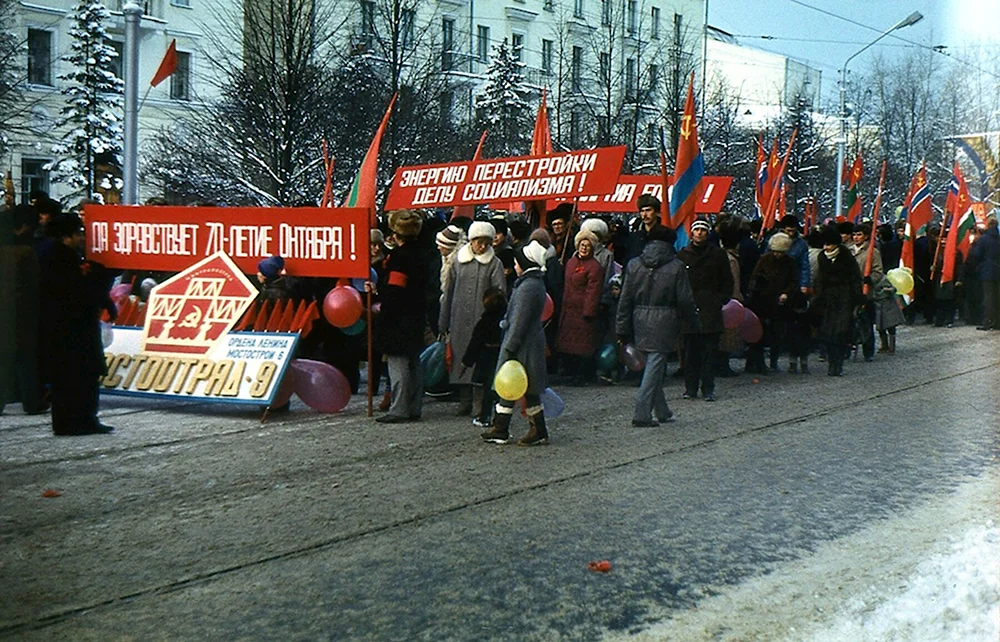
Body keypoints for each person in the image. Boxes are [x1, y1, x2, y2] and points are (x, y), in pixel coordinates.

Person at [39, 214, 115, 435]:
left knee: (66, 377)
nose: (82, 238)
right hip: (73, 325)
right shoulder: (63, 258)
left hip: (59, 325)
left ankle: (69, 421)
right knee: (80, 374)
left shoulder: (51, 254)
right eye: (78, 233)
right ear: (68, 236)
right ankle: (81, 419)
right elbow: (76, 290)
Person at [616, 225, 698, 426]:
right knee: (655, 366)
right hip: (665, 319)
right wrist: (694, 322)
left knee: (652, 367)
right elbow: (685, 300)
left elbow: (625, 299)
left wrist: (621, 327)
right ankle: (642, 414)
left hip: (639, 317)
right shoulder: (676, 266)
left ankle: (662, 411)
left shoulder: (634, 264)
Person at [480, 240, 551, 446]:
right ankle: (510, 428)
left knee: (515, 384)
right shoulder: (533, 284)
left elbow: (519, 321)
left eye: (517, 262)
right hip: (528, 344)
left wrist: (510, 347)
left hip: (522, 346)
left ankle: (507, 428)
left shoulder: (528, 287)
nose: (514, 266)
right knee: (523, 387)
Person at [439, 220, 506, 416]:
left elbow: (500, 294)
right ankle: (464, 399)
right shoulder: (458, 261)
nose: (483, 246)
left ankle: (478, 402)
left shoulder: (495, 263)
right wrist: (443, 320)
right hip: (459, 318)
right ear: (472, 240)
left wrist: (495, 318)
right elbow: (448, 291)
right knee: (461, 358)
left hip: (483, 320)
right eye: (479, 242)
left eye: (486, 242)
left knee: (480, 362)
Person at [375, 210, 427, 423]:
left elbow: (396, 291)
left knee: (398, 365)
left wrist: (381, 294)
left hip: (398, 318)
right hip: (416, 314)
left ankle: (399, 408)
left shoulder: (399, 258)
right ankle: (414, 406)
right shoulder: (422, 253)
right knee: (414, 363)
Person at [677, 216, 734, 401]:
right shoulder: (683, 255)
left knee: (709, 352)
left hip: (711, 309)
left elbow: (727, 281)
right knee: (690, 353)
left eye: (703, 229)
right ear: (691, 233)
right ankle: (690, 387)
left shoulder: (718, 255)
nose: (699, 233)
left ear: (707, 233)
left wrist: (720, 300)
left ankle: (708, 387)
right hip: (690, 309)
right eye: (696, 229)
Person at [555, 229, 605, 385]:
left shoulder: (594, 266)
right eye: (582, 244)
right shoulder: (571, 262)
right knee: (568, 344)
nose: (584, 248)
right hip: (568, 310)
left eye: (587, 245)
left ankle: (584, 374)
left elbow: (593, 290)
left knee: (583, 346)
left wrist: (589, 311)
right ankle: (570, 371)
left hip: (582, 312)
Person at [813, 226, 864, 376]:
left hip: (844, 297)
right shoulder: (822, 257)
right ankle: (831, 362)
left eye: (829, 245)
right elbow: (819, 278)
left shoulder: (846, 257)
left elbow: (855, 278)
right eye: (825, 245)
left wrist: (858, 297)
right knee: (827, 332)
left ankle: (838, 363)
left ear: (835, 244)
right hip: (828, 298)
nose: (826, 248)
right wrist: (819, 296)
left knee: (840, 332)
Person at [746, 232, 798, 373]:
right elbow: (755, 277)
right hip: (763, 301)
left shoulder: (790, 262)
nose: (778, 255)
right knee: (760, 334)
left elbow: (794, 281)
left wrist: (786, 293)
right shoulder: (764, 260)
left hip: (781, 303)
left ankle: (773, 362)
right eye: (775, 252)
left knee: (778, 333)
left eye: (781, 252)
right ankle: (758, 363)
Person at [460, 287, 507, 428]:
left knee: (487, 390)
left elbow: (474, 343)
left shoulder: (484, 322)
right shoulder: (507, 319)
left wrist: (465, 363)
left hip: (486, 357)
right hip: (502, 355)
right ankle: (499, 417)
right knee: (499, 391)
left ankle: (484, 417)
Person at [849, 223, 883, 360]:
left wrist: (870, 279)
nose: (856, 237)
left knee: (866, 322)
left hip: (866, 292)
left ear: (866, 236)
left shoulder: (872, 252)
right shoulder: (848, 250)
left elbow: (878, 272)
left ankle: (868, 351)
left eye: (859, 235)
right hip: (850, 291)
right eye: (855, 234)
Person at [973, 217, 999, 330]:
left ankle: (988, 321)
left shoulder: (984, 239)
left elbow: (977, 254)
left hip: (987, 272)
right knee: (998, 297)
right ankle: (997, 322)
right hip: (999, 271)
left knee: (988, 298)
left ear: (988, 225)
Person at [625, 194, 666, 262]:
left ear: (656, 212)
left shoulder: (665, 235)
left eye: (648, 210)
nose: (644, 214)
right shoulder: (634, 237)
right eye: (642, 211)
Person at [873, 273, 904, 354]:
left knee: (891, 327)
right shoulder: (870, 279)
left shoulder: (884, 278)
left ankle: (892, 347)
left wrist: (888, 290)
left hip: (888, 305)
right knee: (881, 327)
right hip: (878, 305)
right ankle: (884, 345)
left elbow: (893, 289)